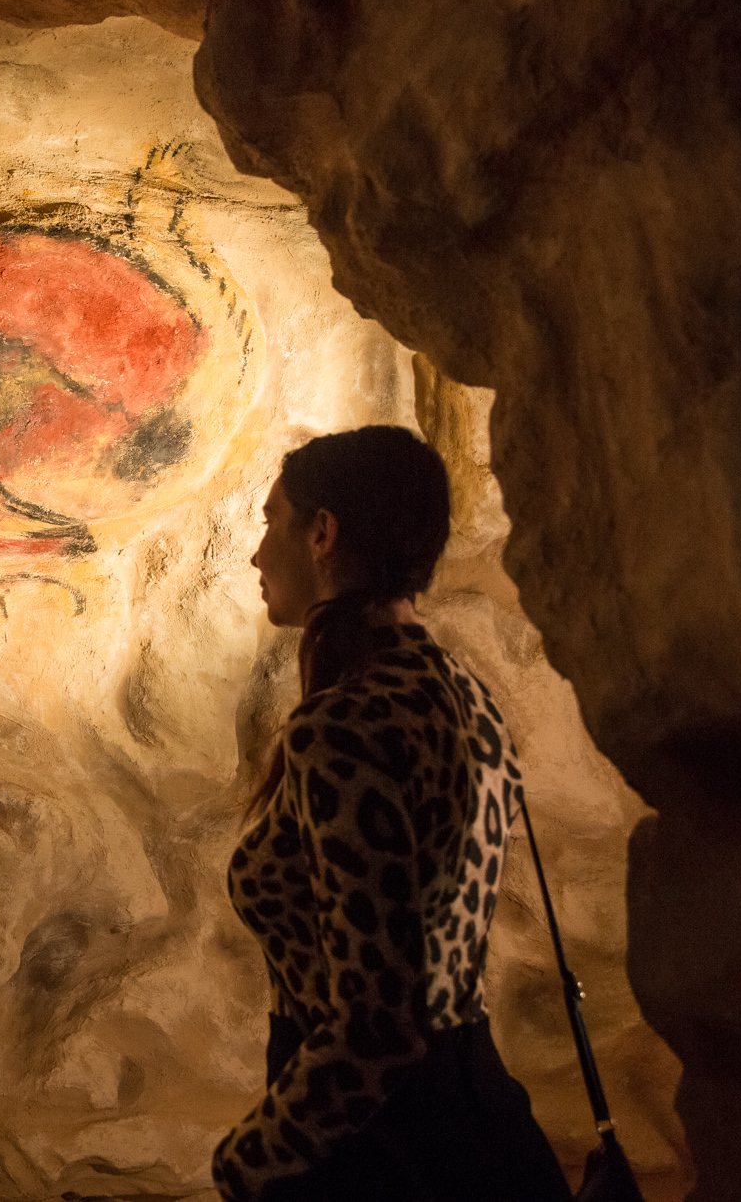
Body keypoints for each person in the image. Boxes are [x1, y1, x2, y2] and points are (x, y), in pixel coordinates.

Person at [213, 425, 572, 1202]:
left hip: (380, 1155)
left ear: (323, 532)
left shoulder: (340, 726)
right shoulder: (469, 696)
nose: (254, 554)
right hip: (483, 1123)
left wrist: (249, 1160)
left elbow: (377, 1023)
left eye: (270, 521)